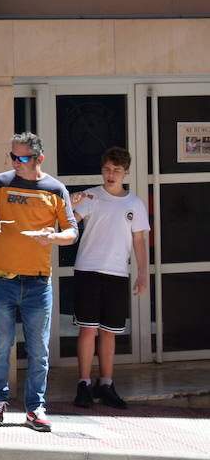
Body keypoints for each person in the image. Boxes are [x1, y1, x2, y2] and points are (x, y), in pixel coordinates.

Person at [0, 131, 77, 432]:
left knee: (39, 349)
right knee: (0, 343)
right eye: (12, 156)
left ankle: (35, 408)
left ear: (39, 159)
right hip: (2, 279)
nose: (15, 163)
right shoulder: (1, 183)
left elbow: (72, 233)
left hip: (38, 282)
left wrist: (53, 237)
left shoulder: (56, 190)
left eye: (21, 158)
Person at [70, 146, 149, 411]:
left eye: (116, 170)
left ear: (126, 172)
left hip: (117, 272)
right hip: (88, 269)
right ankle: (83, 384)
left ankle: (106, 383)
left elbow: (139, 240)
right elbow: (69, 224)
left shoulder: (134, 203)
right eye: (107, 169)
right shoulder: (91, 196)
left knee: (109, 332)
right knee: (88, 329)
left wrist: (143, 273)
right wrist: (69, 208)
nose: (111, 175)